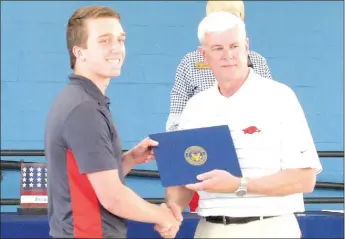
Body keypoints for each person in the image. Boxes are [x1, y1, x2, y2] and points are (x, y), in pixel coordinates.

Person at [156, 12, 322, 238]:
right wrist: (173, 209)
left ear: (246, 47)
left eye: (234, 46)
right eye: (217, 48)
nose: (228, 55)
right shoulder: (195, 107)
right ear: (203, 55)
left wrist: (239, 185)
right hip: (210, 229)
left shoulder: (280, 97)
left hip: (270, 228)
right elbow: (183, 180)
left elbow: (305, 179)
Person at [44, 6, 181, 238]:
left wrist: (130, 159)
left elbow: (88, 179)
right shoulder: (84, 109)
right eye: (104, 41)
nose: (117, 48)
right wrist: (163, 216)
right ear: (80, 52)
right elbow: (113, 197)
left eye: (120, 39)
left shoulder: (81, 100)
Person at [166, 1, 273, 212]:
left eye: (232, 15)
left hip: (250, 152)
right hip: (205, 154)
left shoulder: (258, 62)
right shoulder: (189, 63)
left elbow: (269, 109)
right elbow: (175, 118)